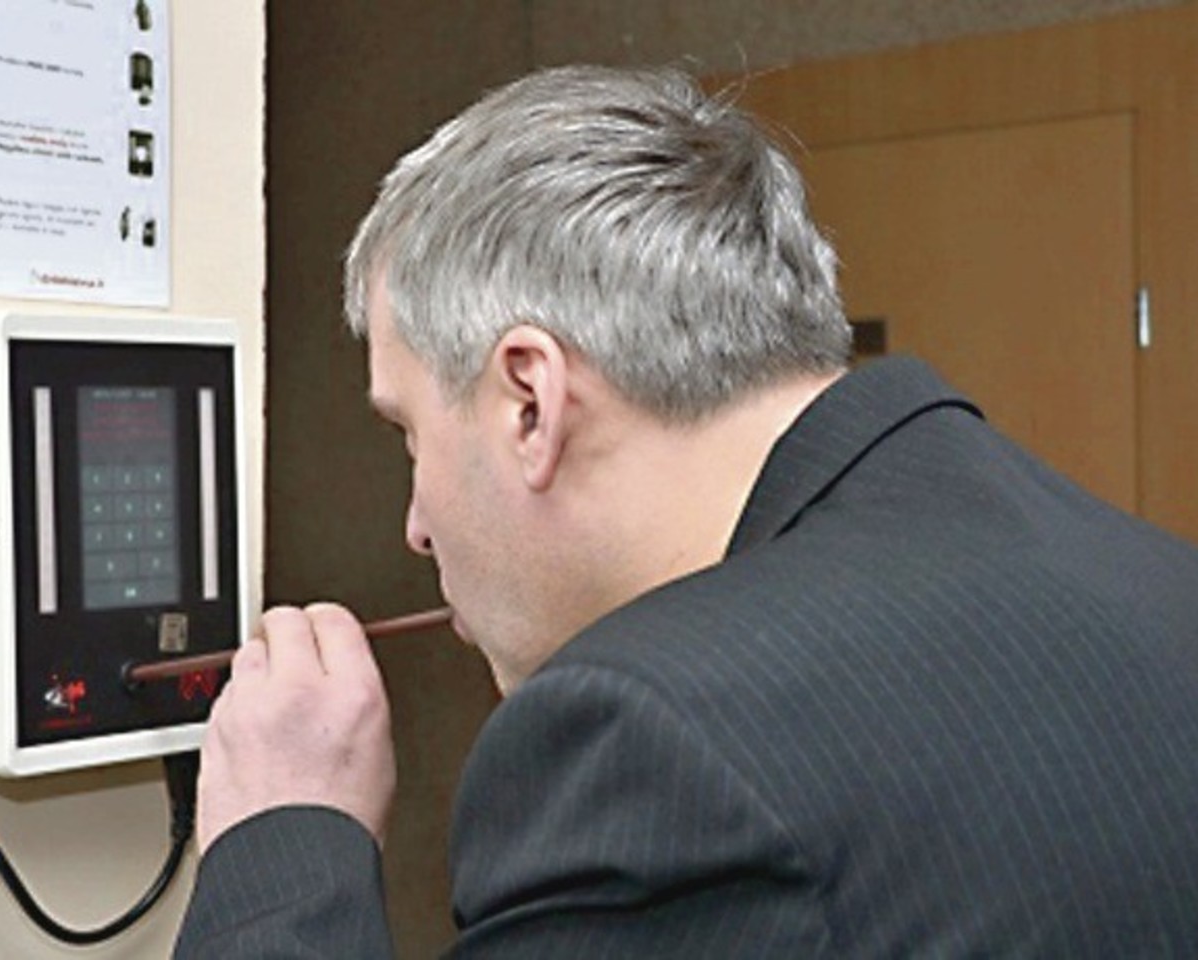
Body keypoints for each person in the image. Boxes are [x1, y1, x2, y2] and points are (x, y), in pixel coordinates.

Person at [175, 65, 1198, 957]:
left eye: (408, 433)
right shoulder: (1148, 576)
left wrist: (284, 840)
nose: (415, 525)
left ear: (530, 402)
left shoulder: (649, 736)